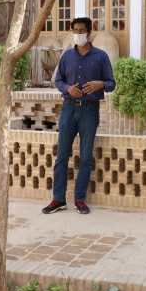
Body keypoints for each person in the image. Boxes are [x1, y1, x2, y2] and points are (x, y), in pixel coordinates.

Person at [42, 17, 115, 215]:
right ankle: (58, 199)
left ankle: (80, 199)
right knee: (61, 156)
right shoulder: (67, 56)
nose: (78, 34)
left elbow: (111, 83)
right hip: (68, 109)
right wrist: (67, 88)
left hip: (89, 111)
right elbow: (58, 80)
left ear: (89, 32)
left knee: (85, 158)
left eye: (82, 30)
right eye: (75, 30)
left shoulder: (101, 56)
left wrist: (100, 84)